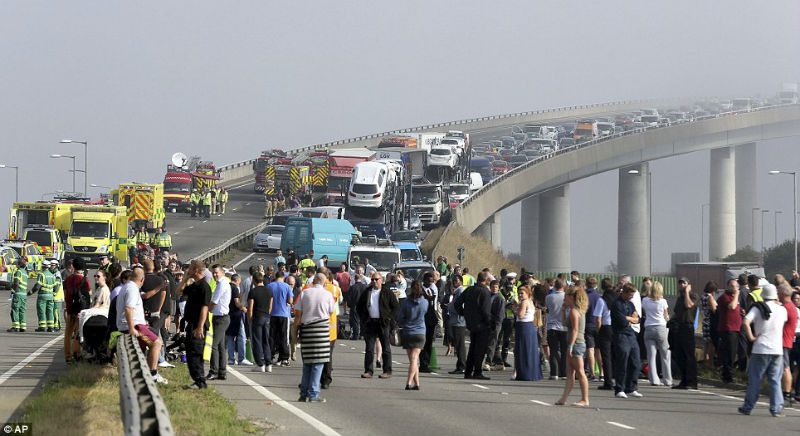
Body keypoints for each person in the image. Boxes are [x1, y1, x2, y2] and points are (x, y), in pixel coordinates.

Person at [739, 283, 787, 417]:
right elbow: (784, 321)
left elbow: (745, 322)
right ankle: (776, 408)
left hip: (760, 348)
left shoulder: (758, 308)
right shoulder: (782, 310)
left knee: (755, 378)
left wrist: (751, 337)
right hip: (777, 349)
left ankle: (748, 407)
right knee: (775, 380)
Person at [117, 267, 168, 384]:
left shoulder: (127, 287)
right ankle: (153, 374)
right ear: (142, 279)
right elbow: (129, 309)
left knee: (142, 349)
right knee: (156, 343)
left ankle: (143, 373)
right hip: (136, 327)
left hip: (136, 325)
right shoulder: (133, 289)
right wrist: (131, 328)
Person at [294, 273, 336, 403]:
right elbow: (330, 312)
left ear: (313, 281)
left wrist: (295, 334)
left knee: (307, 362)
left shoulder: (305, 293)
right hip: (321, 330)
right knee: (318, 363)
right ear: (324, 282)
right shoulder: (328, 295)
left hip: (306, 329)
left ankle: (303, 393)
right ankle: (313, 393)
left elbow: (298, 314)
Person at [356, 273, 398, 379]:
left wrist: (389, 318)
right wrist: (364, 319)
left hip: (383, 323)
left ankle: (387, 370)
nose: (374, 281)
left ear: (381, 280)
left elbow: (396, 307)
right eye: (372, 279)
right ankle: (368, 371)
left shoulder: (387, 292)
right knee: (369, 348)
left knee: (386, 348)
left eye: (376, 279)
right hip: (370, 323)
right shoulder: (367, 292)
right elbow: (359, 306)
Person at [177, 260, 212, 389]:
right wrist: (185, 278)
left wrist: (200, 327)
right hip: (191, 323)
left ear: (196, 270)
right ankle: (197, 380)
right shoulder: (195, 285)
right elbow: (179, 291)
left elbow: (204, 308)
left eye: (190, 269)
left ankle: (200, 381)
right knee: (191, 353)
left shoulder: (204, 287)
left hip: (198, 326)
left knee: (196, 353)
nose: (188, 270)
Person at [454, 271, 492, 380]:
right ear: (486, 280)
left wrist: (463, 313)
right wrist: (490, 323)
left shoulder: (469, 289)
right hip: (482, 324)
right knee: (480, 349)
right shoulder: (484, 292)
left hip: (471, 323)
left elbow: (457, 303)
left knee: (472, 348)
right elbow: (486, 311)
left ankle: (468, 371)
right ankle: (477, 371)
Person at [556, 285, 589, 407]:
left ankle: (585, 399)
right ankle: (563, 398)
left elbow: (575, 330)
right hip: (576, 343)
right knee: (570, 373)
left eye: (566, 296)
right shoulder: (576, 310)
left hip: (576, 344)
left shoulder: (575, 311)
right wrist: (563, 310)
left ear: (571, 297)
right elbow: (565, 323)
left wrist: (570, 346)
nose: (564, 298)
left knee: (580, 372)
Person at [611, 283, 643, 399]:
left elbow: (638, 319)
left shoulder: (631, 304)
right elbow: (621, 321)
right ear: (624, 293)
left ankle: (632, 387)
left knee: (635, 361)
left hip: (631, 334)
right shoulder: (616, 304)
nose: (631, 297)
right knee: (623, 359)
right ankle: (619, 388)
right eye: (630, 295)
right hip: (620, 334)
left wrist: (629, 319)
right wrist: (629, 319)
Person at [396, 280, 429, 390]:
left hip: (408, 332)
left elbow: (400, 318)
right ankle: (417, 383)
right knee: (414, 360)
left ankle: (408, 382)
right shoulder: (425, 302)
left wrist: (404, 322)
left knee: (413, 359)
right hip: (420, 332)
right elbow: (425, 313)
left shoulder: (406, 302)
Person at [642, 281, 672, 387]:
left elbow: (644, 312)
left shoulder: (645, 300)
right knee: (665, 355)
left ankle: (654, 379)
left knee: (651, 356)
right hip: (661, 328)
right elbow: (666, 316)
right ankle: (667, 379)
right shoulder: (663, 301)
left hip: (649, 328)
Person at [671, 277, 698, 390]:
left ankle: (692, 381)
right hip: (679, 328)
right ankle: (684, 380)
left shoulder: (692, 295)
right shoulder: (679, 298)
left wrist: (687, 292)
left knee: (689, 355)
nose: (682, 285)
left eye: (684, 283)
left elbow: (689, 305)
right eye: (680, 283)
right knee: (679, 355)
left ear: (689, 285)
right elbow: (676, 312)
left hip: (688, 327)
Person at [207, 265, 232, 380]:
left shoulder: (222, 284)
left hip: (221, 318)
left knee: (214, 345)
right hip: (220, 317)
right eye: (213, 273)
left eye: (216, 272)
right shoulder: (222, 283)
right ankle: (222, 372)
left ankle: (214, 371)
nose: (214, 275)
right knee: (221, 346)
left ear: (222, 272)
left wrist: (207, 311)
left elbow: (214, 301)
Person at [64, 257, 91, 362]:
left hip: (70, 309)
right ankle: (77, 353)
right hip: (81, 310)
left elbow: (66, 293)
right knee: (78, 333)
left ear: (73, 266)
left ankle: (68, 356)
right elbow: (89, 294)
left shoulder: (68, 279)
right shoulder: (84, 280)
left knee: (68, 333)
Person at [513, 285, 542, 382]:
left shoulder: (524, 302)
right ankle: (532, 373)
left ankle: (524, 373)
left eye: (522, 293)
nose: (520, 295)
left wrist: (514, 309)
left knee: (522, 349)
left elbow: (520, 315)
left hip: (523, 326)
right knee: (530, 350)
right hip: (530, 327)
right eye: (519, 293)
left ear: (527, 293)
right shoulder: (531, 301)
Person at [717, 278, 743, 384]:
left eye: (736, 286)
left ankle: (728, 374)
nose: (734, 288)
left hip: (736, 328)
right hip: (728, 328)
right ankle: (727, 376)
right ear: (728, 286)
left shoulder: (735, 297)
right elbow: (732, 307)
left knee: (733, 353)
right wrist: (736, 294)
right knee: (729, 352)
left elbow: (736, 308)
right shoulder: (724, 297)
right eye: (732, 286)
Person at [248, 272, 273, 372]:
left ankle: (260, 363)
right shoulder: (269, 290)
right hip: (267, 316)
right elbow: (271, 306)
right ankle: (268, 363)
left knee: (257, 340)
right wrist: (267, 314)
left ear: (254, 280)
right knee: (266, 340)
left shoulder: (253, 291)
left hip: (257, 317)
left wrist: (250, 320)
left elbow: (250, 308)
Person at [225, 274, 252, 366]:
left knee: (230, 337)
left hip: (228, 314)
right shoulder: (235, 288)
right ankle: (242, 358)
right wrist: (243, 308)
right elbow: (237, 303)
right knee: (241, 337)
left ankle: (231, 359)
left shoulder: (227, 287)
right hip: (236, 315)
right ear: (238, 280)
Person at [594, 278, 616, 390]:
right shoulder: (617, 298)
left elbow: (598, 318)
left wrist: (598, 331)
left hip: (605, 327)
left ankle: (608, 382)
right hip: (616, 328)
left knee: (606, 356)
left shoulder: (601, 300)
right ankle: (618, 380)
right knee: (616, 355)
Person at [269, 272, 294, 367]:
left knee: (271, 336)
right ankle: (284, 358)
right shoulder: (287, 286)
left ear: (275, 276)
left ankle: (270, 356)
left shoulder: (270, 286)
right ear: (283, 277)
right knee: (284, 337)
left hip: (272, 314)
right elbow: (290, 300)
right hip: (284, 314)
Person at [779, 284, 798, 405]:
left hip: (784, 341)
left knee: (786, 368)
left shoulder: (787, 308)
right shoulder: (790, 307)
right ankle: (786, 392)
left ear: (783, 294)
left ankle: (787, 393)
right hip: (787, 340)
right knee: (784, 367)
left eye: (779, 292)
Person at [545, 279, 568, 380]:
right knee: (564, 351)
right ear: (564, 286)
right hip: (564, 326)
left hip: (552, 326)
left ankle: (554, 372)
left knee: (553, 350)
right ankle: (564, 372)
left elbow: (547, 309)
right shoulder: (566, 297)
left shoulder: (549, 297)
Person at [446, 275, 468, 374]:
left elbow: (460, 305)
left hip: (459, 321)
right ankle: (460, 365)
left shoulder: (461, 291)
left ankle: (462, 366)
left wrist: (450, 307)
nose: (454, 282)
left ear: (461, 281)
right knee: (458, 345)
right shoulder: (456, 291)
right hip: (455, 320)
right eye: (453, 280)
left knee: (460, 345)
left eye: (456, 280)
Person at [31, 258, 58, 332]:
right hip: (51, 296)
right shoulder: (52, 275)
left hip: (42, 296)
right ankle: (51, 327)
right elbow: (56, 286)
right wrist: (53, 294)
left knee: (41, 311)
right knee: (50, 311)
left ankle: (42, 327)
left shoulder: (42, 274)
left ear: (43, 266)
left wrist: (31, 292)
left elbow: (37, 286)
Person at [419, 272, 439, 373]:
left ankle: (426, 363)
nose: (430, 283)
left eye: (432, 281)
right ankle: (422, 363)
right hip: (422, 319)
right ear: (424, 280)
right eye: (428, 281)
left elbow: (434, 302)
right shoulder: (420, 290)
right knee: (422, 342)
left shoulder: (433, 288)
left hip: (431, 318)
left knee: (429, 342)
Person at [701, 281, 719, 369]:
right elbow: (714, 310)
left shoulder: (703, 296)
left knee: (706, 344)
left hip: (705, 321)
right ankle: (710, 364)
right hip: (710, 322)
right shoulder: (710, 297)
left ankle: (705, 362)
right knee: (711, 344)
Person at [8, 258, 28, 332]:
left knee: (15, 309)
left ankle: (15, 327)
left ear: (19, 264)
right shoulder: (25, 272)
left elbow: (16, 283)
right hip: (24, 294)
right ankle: (23, 327)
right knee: (22, 310)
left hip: (18, 294)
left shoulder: (18, 272)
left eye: (16, 264)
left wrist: (12, 291)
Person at [348, 266, 367, 340]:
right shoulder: (364, 287)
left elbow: (349, 298)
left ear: (355, 279)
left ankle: (356, 335)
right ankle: (362, 334)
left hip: (355, 306)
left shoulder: (353, 287)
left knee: (355, 321)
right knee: (362, 321)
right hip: (363, 306)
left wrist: (350, 305)